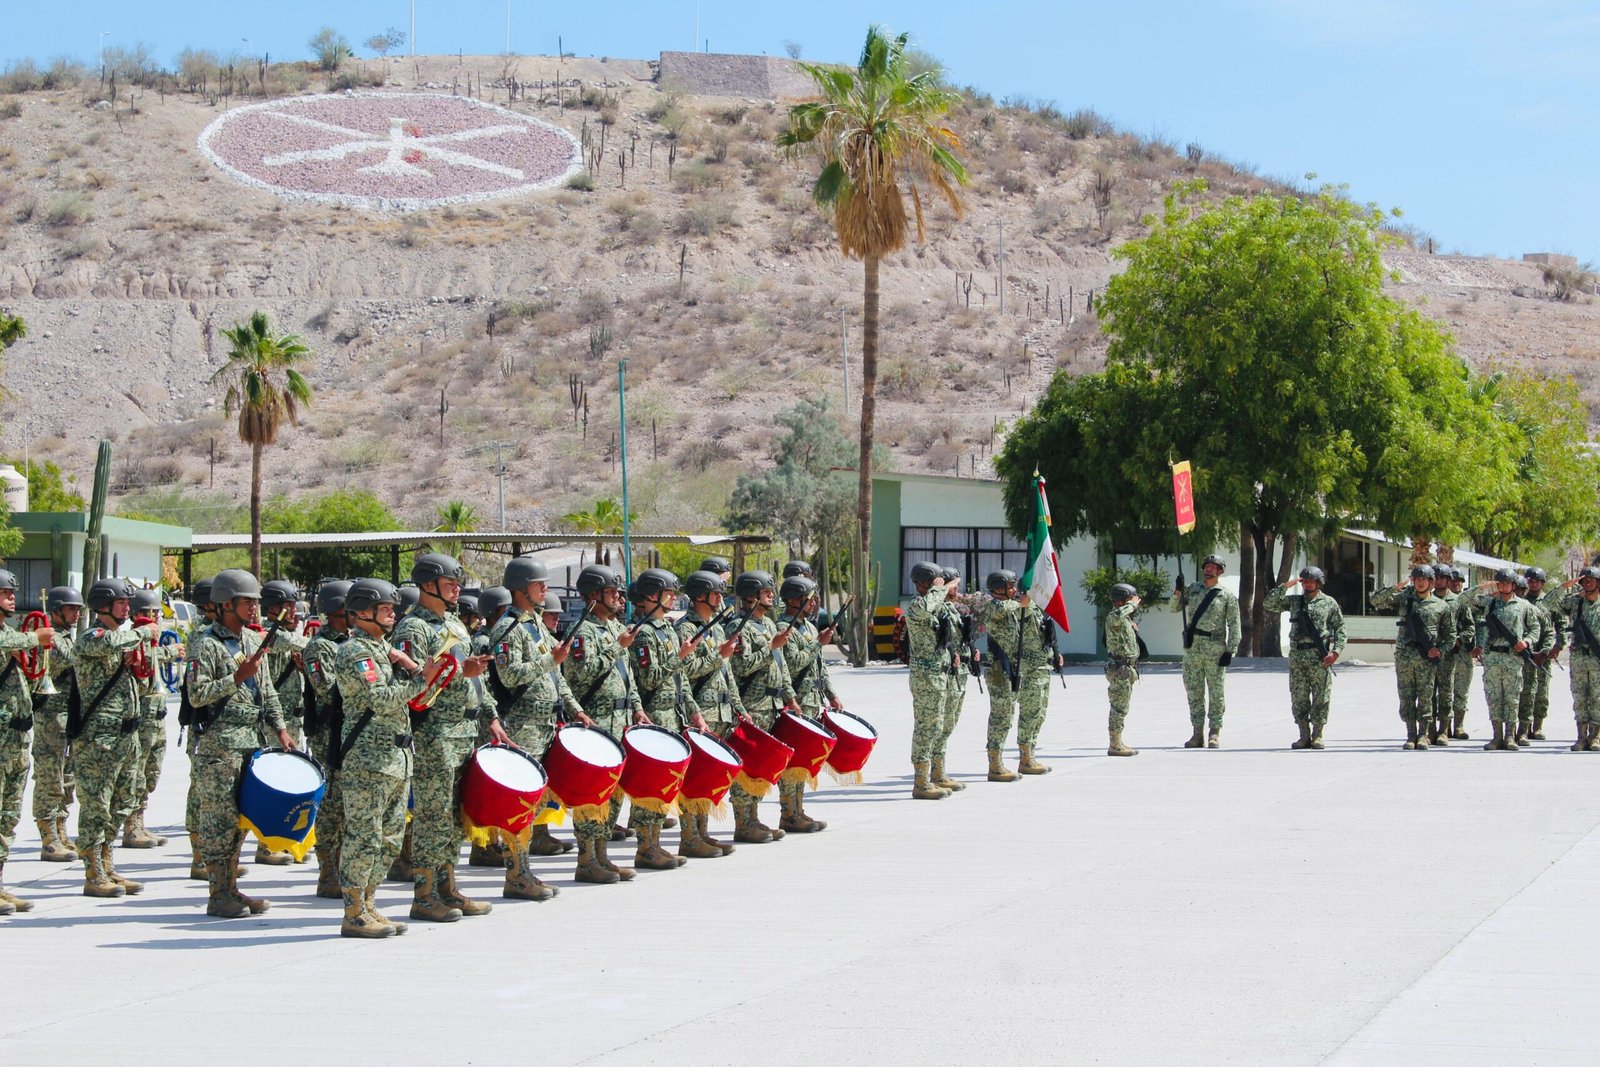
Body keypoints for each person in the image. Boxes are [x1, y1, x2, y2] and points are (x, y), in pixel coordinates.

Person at [187, 569, 296, 918]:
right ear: (225, 604)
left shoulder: (252, 640)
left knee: (240, 823)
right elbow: (196, 694)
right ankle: (218, 893)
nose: (254, 608)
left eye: (255, 602)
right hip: (219, 747)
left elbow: (267, 691)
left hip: (251, 743)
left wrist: (281, 729)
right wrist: (236, 677)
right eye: (246, 601)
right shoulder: (205, 644)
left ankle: (232, 888)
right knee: (219, 822)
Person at [391, 553, 494, 922]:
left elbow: (476, 681)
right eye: (450, 583)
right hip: (435, 734)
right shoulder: (412, 629)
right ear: (427, 585)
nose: (457, 589)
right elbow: (413, 687)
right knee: (432, 817)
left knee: (453, 818)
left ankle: (447, 888)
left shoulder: (454, 624)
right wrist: (460, 672)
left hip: (464, 732)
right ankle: (424, 894)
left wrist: (492, 717)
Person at [334, 578, 435, 938]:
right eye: (386, 608)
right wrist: (420, 679)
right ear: (363, 612)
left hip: (395, 758)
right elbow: (379, 699)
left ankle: (369, 902)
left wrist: (411, 666)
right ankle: (353, 911)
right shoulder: (355, 652)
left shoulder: (382, 649)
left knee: (390, 838)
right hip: (368, 760)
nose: (393, 614)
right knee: (364, 837)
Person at [482, 555, 582, 899]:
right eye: (539, 585)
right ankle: (516, 874)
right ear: (521, 589)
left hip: (546, 724)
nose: (544, 590)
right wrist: (549, 659)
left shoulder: (535, 624)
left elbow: (556, 675)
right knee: (520, 803)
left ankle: (523, 870)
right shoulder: (507, 628)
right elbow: (510, 675)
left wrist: (576, 709)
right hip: (522, 725)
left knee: (535, 803)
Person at [73, 578, 155, 898]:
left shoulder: (122, 641)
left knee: (121, 803)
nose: (127, 608)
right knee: (97, 805)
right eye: (121, 602)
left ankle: (107, 865)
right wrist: (143, 633)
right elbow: (106, 643)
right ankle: (93, 873)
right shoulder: (92, 637)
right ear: (103, 606)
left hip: (126, 735)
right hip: (99, 738)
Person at [562, 564, 645, 879]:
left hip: (620, 719)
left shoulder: (613, 628)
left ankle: (602, 855)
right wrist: (616, 647)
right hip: (596, 722)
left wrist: (637, 707)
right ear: (594, 595)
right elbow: (580, 674)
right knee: (592, 793)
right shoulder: (582, 631)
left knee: (612, 794)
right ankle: (586, 860)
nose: (618, 598)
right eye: (611, 592)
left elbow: (627, 675)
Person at [626, 568, 706, 867]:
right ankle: (646, 847)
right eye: (668, 593)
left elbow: (679, 679)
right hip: (654, 716)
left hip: (673, 714)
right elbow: (649, 679)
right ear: (652, 595)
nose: (673, 598)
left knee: (665, 784)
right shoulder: (643, 632)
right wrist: (679, 656)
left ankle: (655, 843)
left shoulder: (667, 629)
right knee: (651, 784)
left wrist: (694, 711)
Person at [677, 570, 742, 858]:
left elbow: (727, 674)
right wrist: (718, 655)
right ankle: (689, 836)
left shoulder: (716, 628)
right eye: (715, 593)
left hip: (721, 710)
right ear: (700, 595)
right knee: (694, 777)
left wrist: (738, 707)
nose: (719, 598)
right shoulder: (685, 629)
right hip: (701, 711)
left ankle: (702, 832)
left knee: (708, 777)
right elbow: (685, 670)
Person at [727, 570, 799, 833]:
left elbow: (781, 665)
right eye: (766, 591)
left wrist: (790, 697)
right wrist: (770, 647)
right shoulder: (738, 626)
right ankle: (743, 822)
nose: (771, 595)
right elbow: (741, 665)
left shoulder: (769, 624)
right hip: (752, 704)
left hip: (773, 704)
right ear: (751, 595)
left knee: (761, 765)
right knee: (747, 764)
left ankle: (754, 818)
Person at [0, 568, 53, 913]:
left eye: (11, 592)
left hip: (17, 739)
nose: (12, 597)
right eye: (5, 593)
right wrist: (35, 638)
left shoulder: (13, 636)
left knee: (7, 816)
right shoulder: (12, 638)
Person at [119, 587, 182, 849]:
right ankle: (131, 826)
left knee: (151, 773)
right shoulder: (131, 639)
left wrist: (169, 650)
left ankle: (140, 820)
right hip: (140, 718)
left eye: (156, 613)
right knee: (136, 773)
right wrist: (168, 651)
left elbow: (155, 657)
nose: (153, 617)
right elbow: (140, 658)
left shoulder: (153, 641)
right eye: (147, 612)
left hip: (157, 716)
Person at [977, 570, 1057, 776]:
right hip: (998, 668)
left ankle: (1025, 758)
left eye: (1014, 586)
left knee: (1021, 713)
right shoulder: (994, 606)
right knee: (1001, 716)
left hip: (1013, 667)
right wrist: (1024, 602)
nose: (1014, 590)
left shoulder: (1015, 606)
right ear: (998, 588)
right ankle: (995, 765)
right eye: (1010, 587)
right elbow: (1005, 608)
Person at [775, 573, 837, 831]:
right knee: (791, 762)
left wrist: (831, 694)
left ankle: (799, 809)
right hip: (795, 702)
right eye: (807, 598)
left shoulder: (810, 628)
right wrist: (817, 644)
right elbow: (792, 663)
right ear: (792, 600)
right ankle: (788, 813)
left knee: (804, 760)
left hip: (812, 700)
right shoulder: (784, 628)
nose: (813, 603)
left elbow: (819, 667)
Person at [253, 579, 308, 864]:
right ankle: (266, 845)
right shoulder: (268, 634)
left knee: (289, 781)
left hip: (292, 720)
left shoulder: (286, 634)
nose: (294, 611)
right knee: (273, 782)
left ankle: (283, 841)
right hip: (274, 722)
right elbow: (304, 644)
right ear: (273, 607)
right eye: (288, 605)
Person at [1371, 566, 1456, 749]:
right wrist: (1396, 587)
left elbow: (1450, 635)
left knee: (1426, 697)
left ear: (1431, 582)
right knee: (1406, 696)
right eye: (1417, 579)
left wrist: (1439, 650)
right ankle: (1410, 734)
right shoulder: (1404, 600)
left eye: (1424, 579)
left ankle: (1423, 735)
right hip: (1405, 656)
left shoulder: (1441, 606)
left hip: (1426, 659)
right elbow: (1375, 600)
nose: (1420, 582)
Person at [302, 579, 351, 899]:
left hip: (348, 733)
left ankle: (344, 866)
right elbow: (328, 690)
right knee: (331, 805)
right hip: (329, 734)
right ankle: (328, 871)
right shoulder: (320, 647)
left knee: (346, 804)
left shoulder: (351, 642)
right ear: (337, 610)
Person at [1264, 567, 1346, 749]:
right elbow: (1269, 604)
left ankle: (1317, 735)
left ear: (1319, 582)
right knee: (1299, 697)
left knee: (1321, 697)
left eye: (1311, 581)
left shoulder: (1329, 603)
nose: (1307, 584)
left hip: (1319, 657)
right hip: (1298, 657)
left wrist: (1335, 652)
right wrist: (1284, 586)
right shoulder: (1295, 602)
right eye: (1305, 581)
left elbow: (1340, 629)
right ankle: (1304, 735)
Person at [1168, 554, 1241, 748]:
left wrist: (1230, 650)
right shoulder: (1193, 589)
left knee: (1216, 692)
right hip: (1193, 648)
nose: (1209, 569)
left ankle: (1214, 732)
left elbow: (1234, 624)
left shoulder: (1226, 595)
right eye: (1207, 566)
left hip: (1215, 648)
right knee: (1194, 691)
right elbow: (1173, 608)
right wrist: (1178, 590)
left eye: (1213, 566)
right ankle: (1197, 733)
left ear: (1220, 571)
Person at [31, 584, 81, 864]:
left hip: (68, 717)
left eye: (78, 609)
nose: (76, 614)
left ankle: (61, 829)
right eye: (70, 609)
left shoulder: (68, 638)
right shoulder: (49, 637)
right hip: (51, 718)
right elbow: (69, 659)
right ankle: (48, 837)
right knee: (50, 778)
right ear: (56, 610)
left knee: (68, 778)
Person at [1472, 568, 1540, 751]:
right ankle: (1496, 737)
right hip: (1493, 657)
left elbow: (1535, 628)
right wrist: (1483, 587)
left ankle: (1510, 736)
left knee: (1512, 698)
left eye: (1507, 583)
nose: (1503, 586)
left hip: (1513, 657)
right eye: (1500, 583)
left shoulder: (1524, 605)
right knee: (1494, 697)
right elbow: (1464, 599)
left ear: (1513, 585)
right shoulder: (1490, 603)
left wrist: (1526, 641)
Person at [930, 567, 969, 792]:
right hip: (941, 673)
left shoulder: (951, 608)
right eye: (954, 585)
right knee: (939, 724)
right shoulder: (934, 606)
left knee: (949, 723)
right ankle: (934, 772)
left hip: (956, 672)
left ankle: (939, 771)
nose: (957, 589)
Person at [1559, 567, 1600, 751]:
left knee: (1598, 698)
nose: (1588, 583)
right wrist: (1565, 586)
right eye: (1585, 580)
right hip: (1579, 658)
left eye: (1592, 580)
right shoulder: (1576, 603)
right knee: (1579, 698)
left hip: (1597, 658)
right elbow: (1549, 603)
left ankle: (1596, 736)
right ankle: (1581, 737)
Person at [1523, 567, 1564, 742]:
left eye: (1537, 581)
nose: (1533, 584)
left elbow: (1560, 625)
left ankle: (1538, 727)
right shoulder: (1521, 600)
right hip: (1525, 653)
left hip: (1543, 653)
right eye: (1530, 581)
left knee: (1541, 692)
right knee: (1525, 691)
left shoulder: (1550, 602)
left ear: (1542, 583)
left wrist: (1558, 646)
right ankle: (1524, 726)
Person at [1104, 583, 1141, 757]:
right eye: (1130, 599)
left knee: (1122, 706)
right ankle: (1115, 744)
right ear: (1121, 601)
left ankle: (1117, 740)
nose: (1134, 602)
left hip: (1127, 668)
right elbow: (1118, 615)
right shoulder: (1114, 616)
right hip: (1120, 669)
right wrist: (1132, 605)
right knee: (1118, 707)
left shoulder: (1124, 619)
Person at [1445, 567, 1477, 739]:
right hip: (1443, 652)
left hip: (1463, 652)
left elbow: (1474, 625)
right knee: (1443, 691)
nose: (1456, 584)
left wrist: (1462, 639)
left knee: (1461, 690)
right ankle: (1444, 727)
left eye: (1459, 581)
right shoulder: (1439, 600)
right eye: (1453, 581)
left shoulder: (1468, 602)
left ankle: (1458, 726)